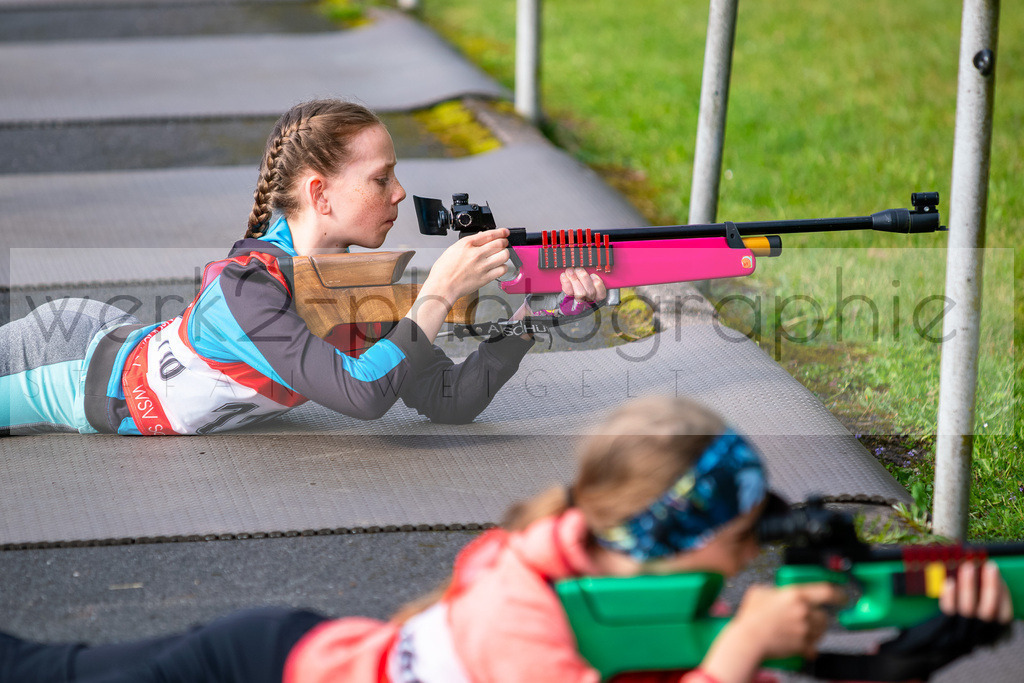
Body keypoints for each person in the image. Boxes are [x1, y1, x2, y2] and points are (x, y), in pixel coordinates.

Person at [0, 397, 1013, 682]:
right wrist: (746, 646)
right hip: (258, 665)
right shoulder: (516, 616)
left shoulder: (626, 593)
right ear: (666, 536)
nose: (750, 554)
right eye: (742, 532)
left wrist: (903, 654)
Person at [0, 99, 606, 435]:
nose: (400, 194)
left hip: (109, 348)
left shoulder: (353, 290)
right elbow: (361, 395)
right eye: (381, 179)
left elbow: (448, 398)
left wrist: (535, 321)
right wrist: (439, 292)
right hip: (70, 363)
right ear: (320, 196)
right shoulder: (247, 286)